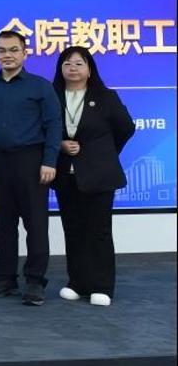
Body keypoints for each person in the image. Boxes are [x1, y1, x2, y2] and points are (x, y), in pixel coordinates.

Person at [0, 30, 62, 306]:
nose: (8, 55)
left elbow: (54, 125)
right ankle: (5, 278)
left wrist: (49, 161)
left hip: (31, 161)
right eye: (2, 50)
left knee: (35, 224)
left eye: (14, 50)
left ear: (25, 53)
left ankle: (35, 281)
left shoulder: (40, 86)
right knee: (4, 223)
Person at [51, 46, 135, 306]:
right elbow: (44, 131)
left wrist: (104, 152)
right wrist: (60, 145)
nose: (73, 68)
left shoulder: (105, 96)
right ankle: (78, 282)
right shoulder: (52, 96)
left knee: (98, 231)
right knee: (73, 229)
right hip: (66, 175)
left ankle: (102, 286)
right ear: (60, 69)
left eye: (79, 63)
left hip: (99, 175)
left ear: (89, 69)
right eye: (67, 64)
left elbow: (126, 128)